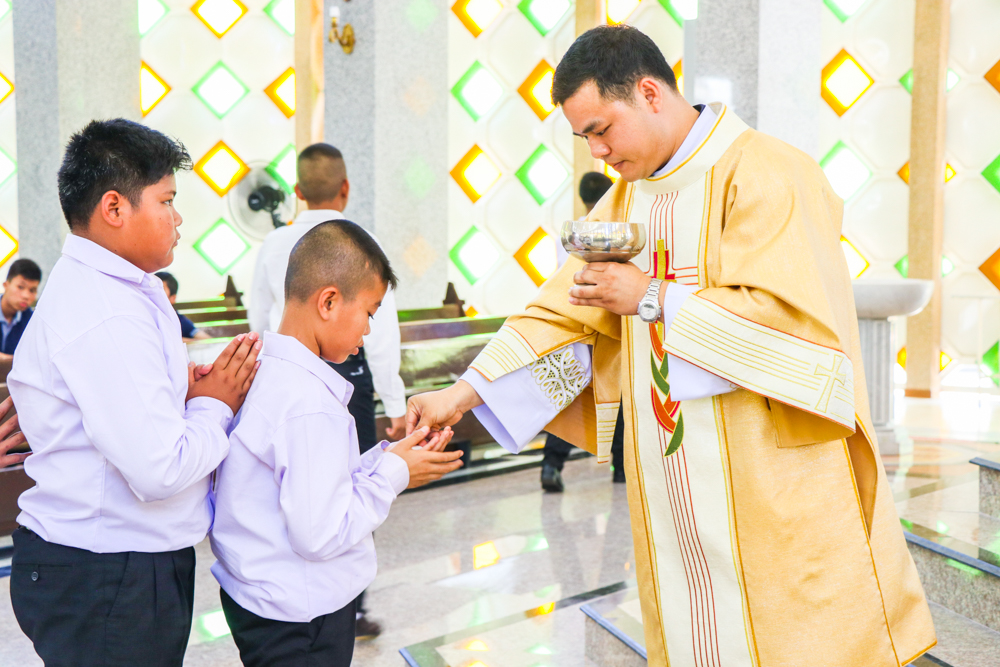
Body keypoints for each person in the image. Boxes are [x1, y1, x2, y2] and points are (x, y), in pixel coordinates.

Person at [406, 25, 935, 667]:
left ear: (650, 93)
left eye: (602, 129)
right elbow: (564, 315)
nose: (598, 152)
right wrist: (460, 395)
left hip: (768, 481)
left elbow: (798, 335)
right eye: (584, 138)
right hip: (670, 481)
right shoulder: (627, 199)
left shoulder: (771, 173)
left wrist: (652, 297)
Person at [7, 118, 262, 667]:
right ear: (115, 208)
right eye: (167, 200)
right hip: (106, 572)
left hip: (114, 563)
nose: (178, 217)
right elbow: (158, 469)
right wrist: (215, 404)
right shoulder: (107, 311)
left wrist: (183, 390)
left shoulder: (121, 287)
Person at [211, 220, 463, 667]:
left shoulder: (266, 370)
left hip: (259, 598)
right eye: (370, 313)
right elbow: (320, 533)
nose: (367, 331)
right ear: (328, 302)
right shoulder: (309, 403)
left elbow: (310, 482)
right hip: (302, 617)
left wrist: (389, 457)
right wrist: (394, 476)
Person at [249, 143, 408, 636]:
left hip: (280, 367)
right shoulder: (362, 246)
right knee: (349, 481)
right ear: (345, 188)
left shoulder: (275, 243)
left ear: (296, 191)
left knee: (289, 484)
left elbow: (258, 317)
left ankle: (298, 582)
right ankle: (348, 603)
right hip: (349, 374)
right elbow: (380, 334)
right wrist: (395, 402)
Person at [542, 171, 620, 492]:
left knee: (569, 395)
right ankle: (622, 468)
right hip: (609, 323)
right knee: (617, 393)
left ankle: (551, 463)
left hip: (575, 323)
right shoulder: (617, 233)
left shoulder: (569, 234)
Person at [0, 258, 42, 361]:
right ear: (6, 285)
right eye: (20, 287)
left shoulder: (32, 322)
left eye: (32, 290)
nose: (26, 296)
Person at [156, 271, 211, 341]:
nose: (153, 294)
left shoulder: (178, 319)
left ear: (172, 298)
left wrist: (175, 341)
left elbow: (206, 340)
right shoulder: (144, 314)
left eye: (161, 290)